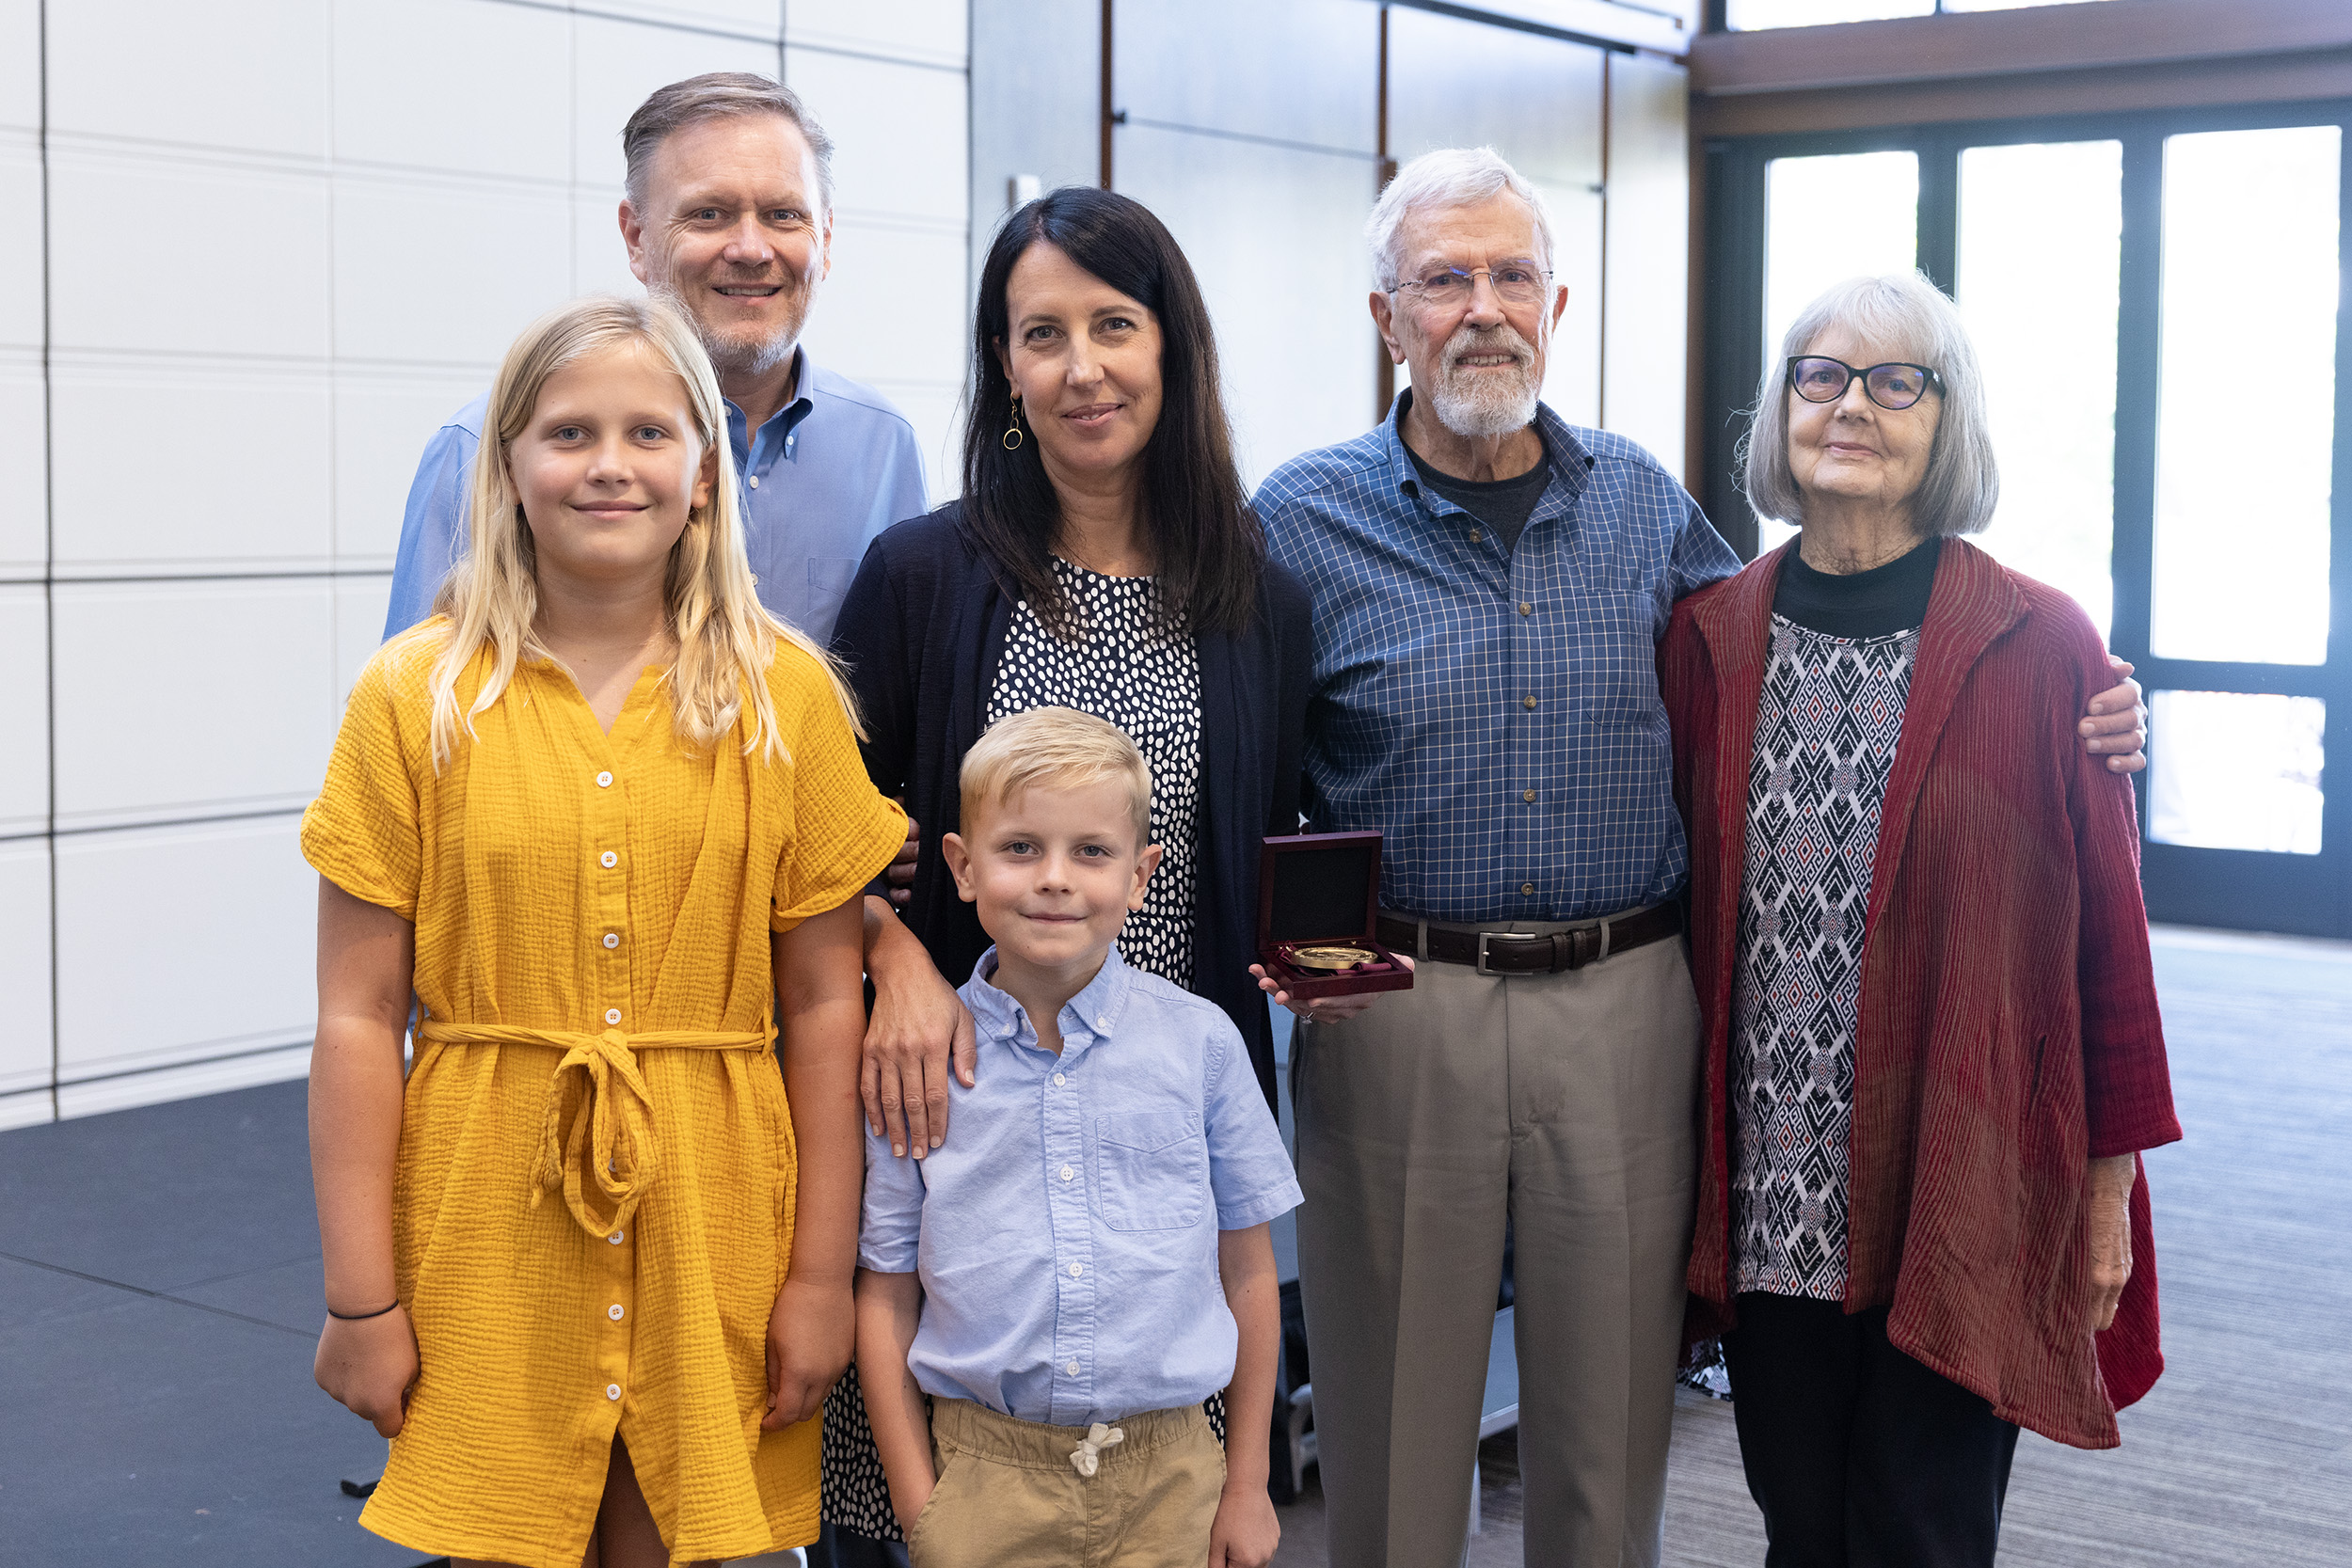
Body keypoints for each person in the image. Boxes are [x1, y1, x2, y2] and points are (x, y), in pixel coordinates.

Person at [1248, 148, 2150, 1568]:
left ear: (1557, 301)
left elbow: (1844, 622)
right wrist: (1286, 954)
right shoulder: (1296, 520)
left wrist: (2093, 700)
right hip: (1402, 1005)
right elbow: (1245, 757)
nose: (1482, 309)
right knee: (1392, 1448)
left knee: (1610, 1449)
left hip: (1626, 1003)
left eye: (1509, 278)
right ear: (1386, 316)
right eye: (1443, 279)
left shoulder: (1644, 506)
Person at [304, 294, 906, 1567]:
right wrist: (361, 1293)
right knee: (503, 1541)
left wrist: (820, 1277)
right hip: (485, 1211)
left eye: (648, 430)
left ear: (703, 470)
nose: (610, 463)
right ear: (509, 466)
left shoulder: (782, 692)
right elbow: (358, 1015)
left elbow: (821, 1005)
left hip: (719, 1207)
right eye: (568, 432)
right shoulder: (412, 697)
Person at [1659, 272, 2181, 1567]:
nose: (1852, 404)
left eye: (1899, 380)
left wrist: (2108, 1190)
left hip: (1969, 1163)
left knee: (1921, 1530)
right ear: (1781, 407)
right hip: (1770, 1175)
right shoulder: (1708, 640)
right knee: (1800, 1519)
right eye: (1821, 374)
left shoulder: (2042, 642)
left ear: (1950, 420)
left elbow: (2108, 941)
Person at [826, 184, 1315, 1544]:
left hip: (1158, 1126)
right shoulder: (920, 575)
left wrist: (1315, 958)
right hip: (963, 1102)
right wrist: (896, 964)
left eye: (1115, 325)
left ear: (1172, 347)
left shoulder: (1259, 599)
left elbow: (1267, 839)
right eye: (1043, 334)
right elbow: (826, 838)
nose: (1082, 367)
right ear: (1003, 364)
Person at [852, 706, 1295, 1568]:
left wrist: (1248, 1481)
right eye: (1020, 847)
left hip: (1174, 1479)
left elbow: (1248, 1273)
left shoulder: (1202, 1044)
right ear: (962, 866)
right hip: (985, 1479)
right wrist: (924, 1511)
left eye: (1091, 851)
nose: (1055, 878)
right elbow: (887, 1292)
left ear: (1140, 876)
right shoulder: (919, 1065)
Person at [383, 72, 926, 646]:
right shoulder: (485, 445)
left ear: (827, 237)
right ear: (637, 236)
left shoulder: (883, 448)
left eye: (784, 215)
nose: (750, 249)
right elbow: (419, 702)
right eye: (709, 214)